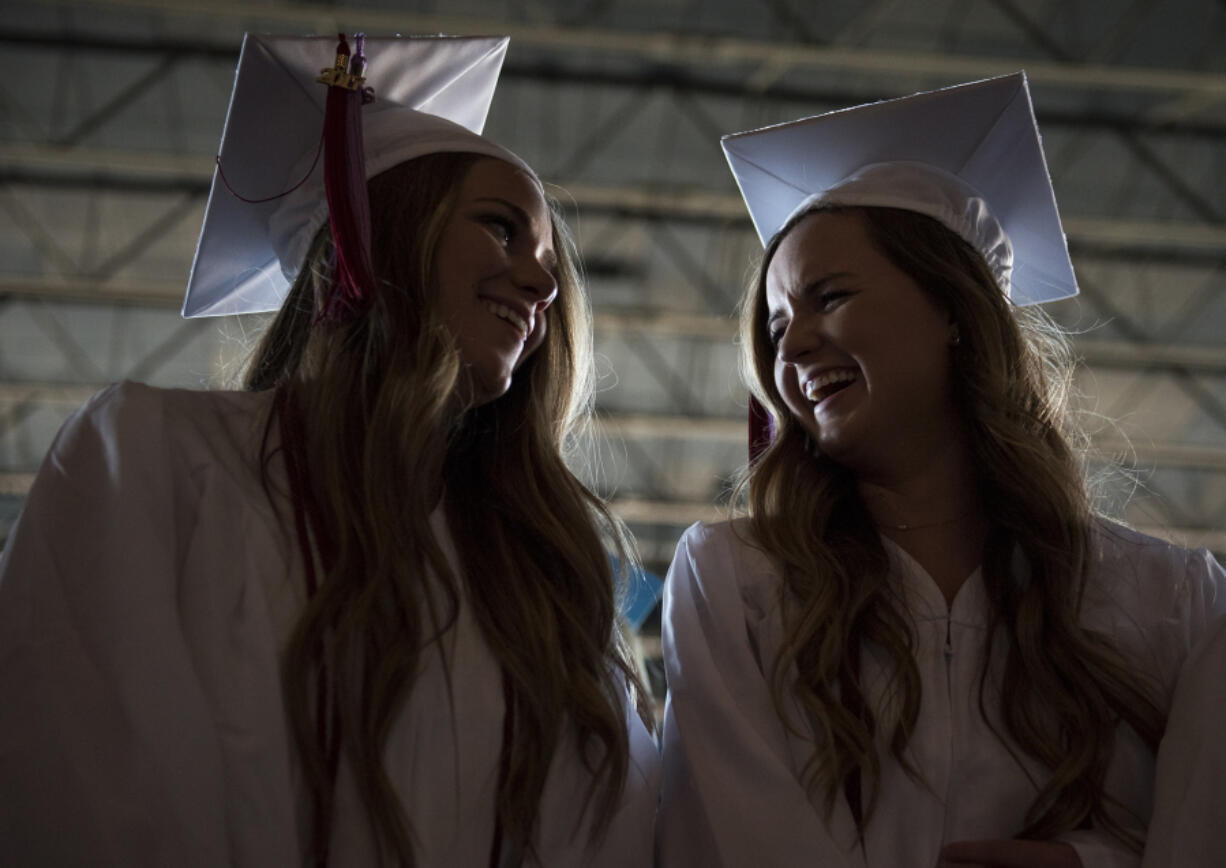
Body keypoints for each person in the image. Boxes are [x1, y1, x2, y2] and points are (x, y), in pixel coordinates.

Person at [0, 34, 658, 867]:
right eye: (502, 229)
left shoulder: (534, 574)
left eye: (548, 262)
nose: (543, 284)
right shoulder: (155, 461)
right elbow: (85, 786)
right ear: (368, 240)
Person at [657, 73, 1224, 868]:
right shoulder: (737, 583)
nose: (790, 347)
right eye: (779, 322)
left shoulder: (1168, 603)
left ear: (955, 311)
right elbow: (717, 838)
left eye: (831, 297)